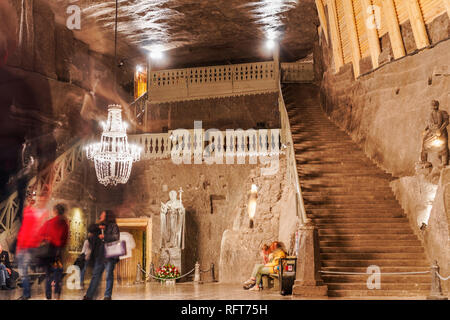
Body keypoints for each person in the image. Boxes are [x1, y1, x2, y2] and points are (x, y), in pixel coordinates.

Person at [15, 195, 48, 300]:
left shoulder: (32, 214)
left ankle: (26, 294)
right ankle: (26, 293)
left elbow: (28, 231)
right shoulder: (30, 213)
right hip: (26, 246)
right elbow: (24, 231)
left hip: (27, 247)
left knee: (23, 271)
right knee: (23, 271)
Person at [83, 210, 120, 300]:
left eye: (102, 214)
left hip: (109, 254)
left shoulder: (113, 226)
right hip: (100, 254)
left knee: (109, 275)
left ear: (107, 216)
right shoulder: (100, 227)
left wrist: (105, 237)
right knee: (96, 275)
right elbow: (90, 229)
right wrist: (99, 225)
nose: (100, 216)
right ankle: (89, 295)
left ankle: (107, 296)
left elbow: (116, 237)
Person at [38, 203, 69, 300]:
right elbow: (65, 240)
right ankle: (57, 295)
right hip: (58, 253)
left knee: (48, 275)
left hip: (48, 252)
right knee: (58, 275)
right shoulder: (64, 224)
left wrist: (47, 239)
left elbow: (40, 234)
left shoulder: (49, 222)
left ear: (55, 211)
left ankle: (48, 296)